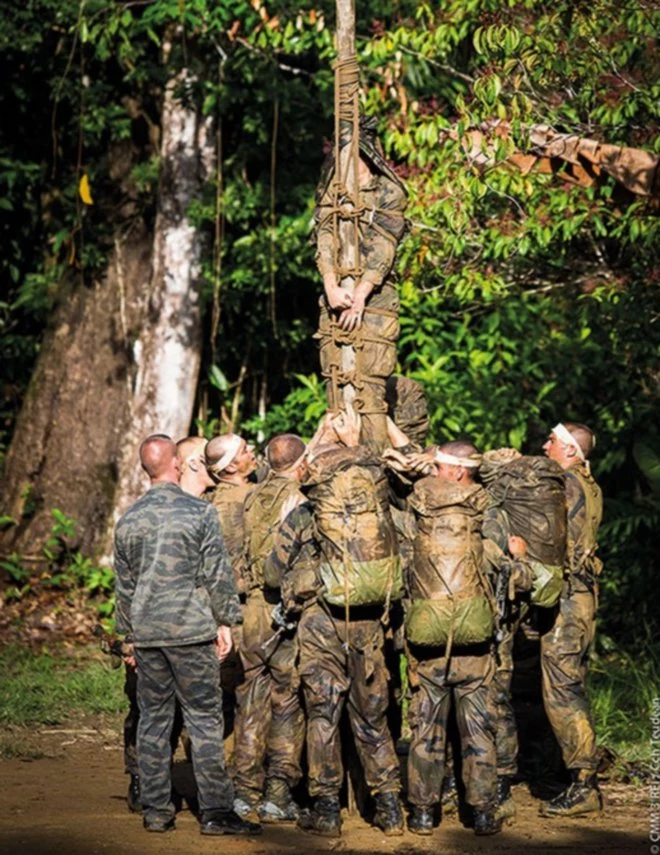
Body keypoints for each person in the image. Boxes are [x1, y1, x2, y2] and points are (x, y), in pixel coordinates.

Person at [265, 408, 404, 838]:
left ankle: (326, 810)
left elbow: (272, 573)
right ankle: (390, 808)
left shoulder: (305, 516)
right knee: (373, 718)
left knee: (323, 714)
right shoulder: (380, 515)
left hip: (321, 624)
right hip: (367, 625)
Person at [113, 434, 260, 836]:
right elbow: (216, 574)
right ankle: (215, 812)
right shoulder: (198, 512)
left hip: (148, 636)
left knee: (154, 722)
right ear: (175, 465)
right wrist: (226, 620)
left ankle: (157, 810)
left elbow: (123, 587)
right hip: (192, 633)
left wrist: (126, 638)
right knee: (204, 721)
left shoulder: (129, 519)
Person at [403, 441, 502, 837]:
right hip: (474, 641)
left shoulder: (417, 506)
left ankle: (423, 813)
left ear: (457, 471)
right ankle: (481, 812)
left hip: (428, 635)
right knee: (478, 727)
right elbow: (503, 564)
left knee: (426, 725)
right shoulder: (486, 507)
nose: (432, 471)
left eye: (439, 465)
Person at [231, 434, 307, 823]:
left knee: (250, 701)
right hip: (281, 612)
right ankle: (278, 791)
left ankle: (244, 791)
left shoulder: (252, 495)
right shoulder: (300, 500)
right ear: (301, 463)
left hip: (250, 612)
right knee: (287, 702)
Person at [539, 422, 603, 817]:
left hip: (570, 599)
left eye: (551, 441)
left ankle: (584, 785)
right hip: (580, 598)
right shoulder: (587, 483)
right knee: (568, 682)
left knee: (562, 688)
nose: (544, 446)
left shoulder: (566, 484)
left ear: (567, 450)